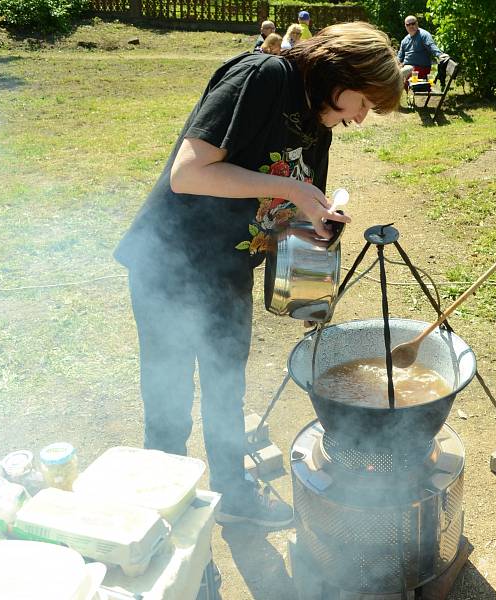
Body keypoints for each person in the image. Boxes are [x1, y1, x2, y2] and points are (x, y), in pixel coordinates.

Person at [114, 22, 402, 527]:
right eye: (365, 103)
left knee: (227, 389)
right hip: (172, 264)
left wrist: (315, 223)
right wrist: (292, 192)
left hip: (228, 270)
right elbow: (190, 172)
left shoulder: (317, 123)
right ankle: (161, 516)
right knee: (170, 400)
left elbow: (279, 203)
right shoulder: (264, 76)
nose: (361, 117)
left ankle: (233, 497)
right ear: (343, 72)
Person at [397, 15, 442, 82]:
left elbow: (431, 46)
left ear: (417, 24)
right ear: (405, 26)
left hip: (420, 69)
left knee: (397, 75)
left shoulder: (424, 35)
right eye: (408, 24)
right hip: (407, 67)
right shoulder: (405, 40)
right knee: (389, 73)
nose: (411, 26)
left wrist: (440, 55)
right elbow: (399, 57)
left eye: (413, 23)